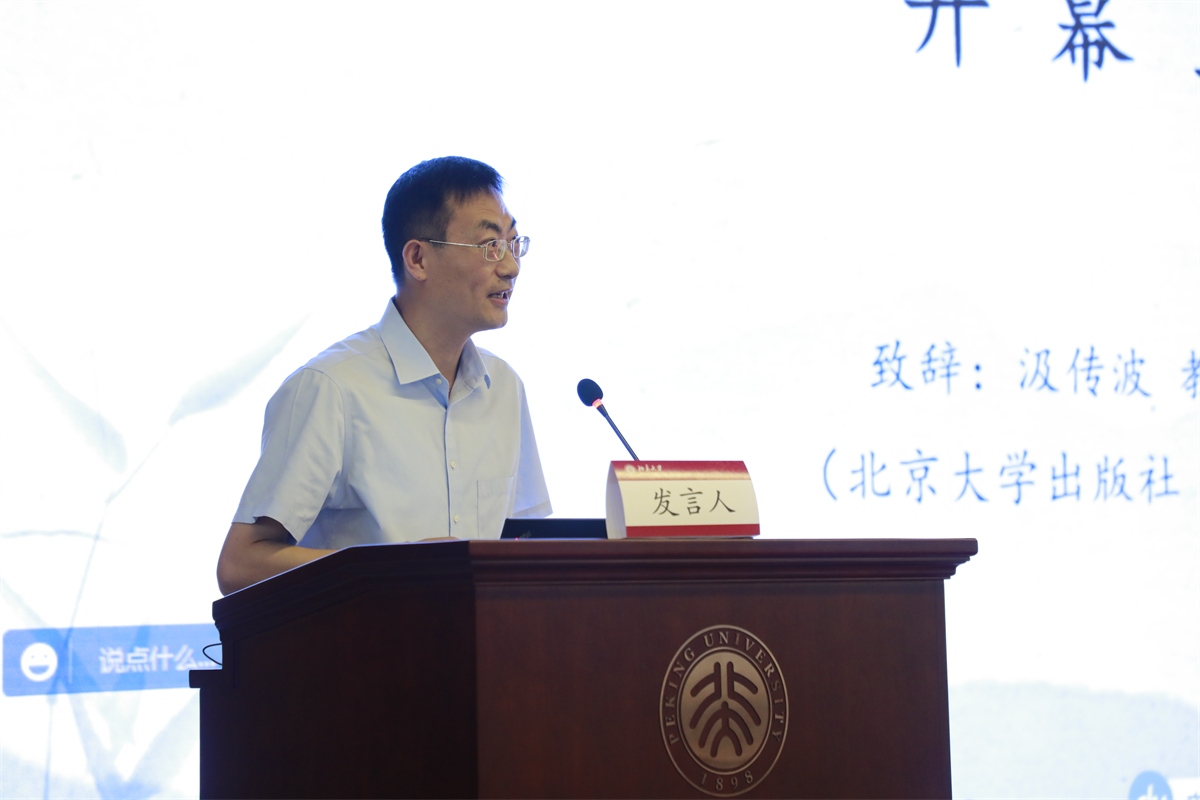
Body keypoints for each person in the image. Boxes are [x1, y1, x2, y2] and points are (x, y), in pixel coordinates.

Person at [215, 157, 551, 596]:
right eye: (489, 245)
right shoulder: (332, 388)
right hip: (365, 639)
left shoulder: (503, 387)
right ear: (418, 259)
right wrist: (394, 569)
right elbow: (240, 564)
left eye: (512, 243)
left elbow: (525, 541)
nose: (510, 267)